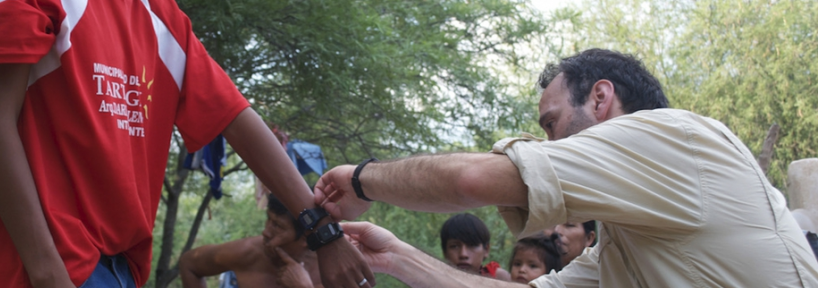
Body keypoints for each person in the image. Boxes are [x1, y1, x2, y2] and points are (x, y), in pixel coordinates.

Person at [315, 48, 818, 287]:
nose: (548, 143)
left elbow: (472, 180)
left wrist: (362, 179)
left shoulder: (671, 137)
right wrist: (397, 257)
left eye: (551, 125)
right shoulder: (626, 239)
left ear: (601, 98)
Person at [0, 0, 369, 287]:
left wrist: (324, 233)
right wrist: (49, 275)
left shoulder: (162, 16)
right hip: (40, 268)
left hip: (122, 267)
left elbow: (237, 119)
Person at [179, 194, 323, 288]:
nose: (265, 232)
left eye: (277, 226)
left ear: (305, 237)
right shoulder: (247, 252)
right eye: (268, 218)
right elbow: (189, 263)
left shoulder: (332, 268)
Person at [439, 213, 510, 280]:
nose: (463, 254)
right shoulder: (435, 280)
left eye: (472, 245)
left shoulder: (498, 278)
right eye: (454, 246)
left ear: (486, 250)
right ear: (444, 251)